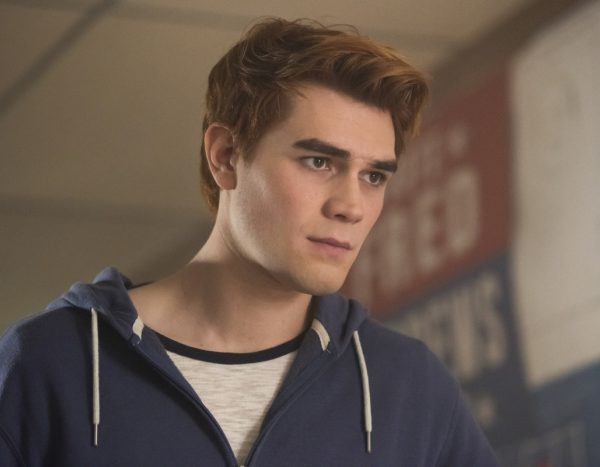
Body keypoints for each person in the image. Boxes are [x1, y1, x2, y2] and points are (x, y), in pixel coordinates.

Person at [0, 18, 499, 467]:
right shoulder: (49, 361)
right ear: (225, 156)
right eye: (319, 162)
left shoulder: (408, 385)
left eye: (374, 176)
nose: (351, 206)